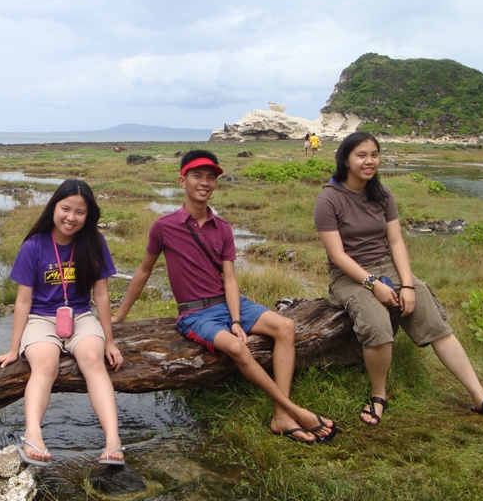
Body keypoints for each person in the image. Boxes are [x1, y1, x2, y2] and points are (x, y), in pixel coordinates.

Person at [113, 150, 337, 444]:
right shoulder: (164, 226)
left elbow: (230, 279)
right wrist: (120, 315)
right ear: (182, 180)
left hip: (229, 303)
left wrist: (236, 319)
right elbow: (143, 271)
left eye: (211, 177)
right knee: (237, 348)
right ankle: (293, 411)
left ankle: (281, 415)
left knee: (286, 326)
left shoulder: (223, 228)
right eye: (197, 175)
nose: (204, 182)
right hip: (195, 314)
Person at [313, 131, 483, 426]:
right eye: (361, 155)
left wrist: (408, 284)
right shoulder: (328, 198)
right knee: (377, 325)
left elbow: (396, 242)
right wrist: (373, 285)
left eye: (374, 155)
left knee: (436, 324)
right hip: (349, 274)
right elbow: (337, 256)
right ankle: (378, 394)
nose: (369, 161)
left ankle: (480, 396)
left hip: (387, 265)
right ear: (345, 160)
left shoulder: (382, 193)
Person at [0, 179, 125, 466]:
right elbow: (23, 301)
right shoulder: (33, 246)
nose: (71, 217)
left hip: (81, 315)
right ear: (53, 208)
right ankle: (33, 434)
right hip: (40, 318)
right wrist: (13, 349)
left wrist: (109, 342)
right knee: (45, 363)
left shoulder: (94, 243)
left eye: (80, 212)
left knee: (93, 359)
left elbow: (100, 294)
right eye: (66, 209)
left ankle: (113, 441)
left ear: (88, 215)